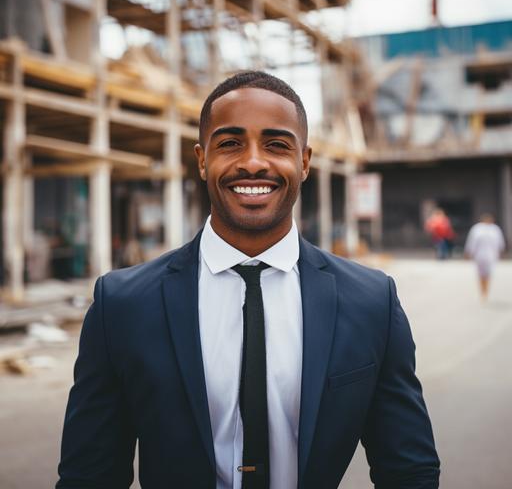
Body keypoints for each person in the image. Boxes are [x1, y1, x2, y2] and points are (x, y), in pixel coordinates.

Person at [57, 71, 440, 488]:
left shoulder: (371, 302)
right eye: (230, 143)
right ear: (202, 160)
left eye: (276, 145)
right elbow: (88, 476)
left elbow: (408, 471)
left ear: (304, 162)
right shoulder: (122, 305)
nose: (254, 162)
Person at [464, 213, 506, 300]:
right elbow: (471, 241)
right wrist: (469, 252)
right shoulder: (477, 229)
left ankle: (486, 289)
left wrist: (501, 251)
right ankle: (482, 290)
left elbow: (500, 241)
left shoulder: (495, 229)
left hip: (492, 254)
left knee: (489, 273)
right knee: (481, 273)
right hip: (479, 254)